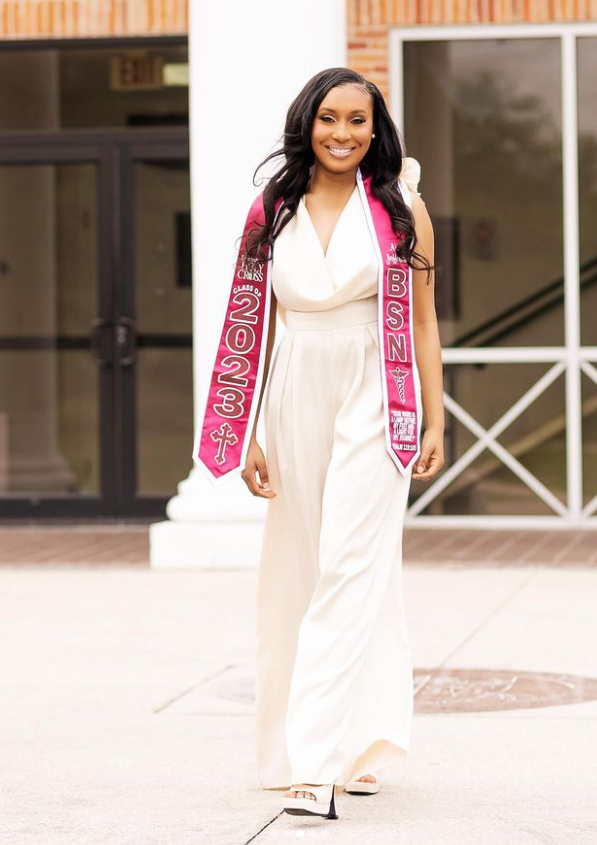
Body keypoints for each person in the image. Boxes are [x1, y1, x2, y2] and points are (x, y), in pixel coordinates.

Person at [240, 68, 445, 820]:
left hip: (376, 386)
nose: (342, 133)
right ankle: (366, 742)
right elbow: (254, 324)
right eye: (329, 118)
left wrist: (435, 419)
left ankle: (315, 764)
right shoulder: (272, 209)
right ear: (307, 122)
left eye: (358, 120)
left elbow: (422, 320)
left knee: (351, 562)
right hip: (295, 388)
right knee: (304, 565)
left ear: (375, 129)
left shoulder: (401, 208)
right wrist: (250, 428)